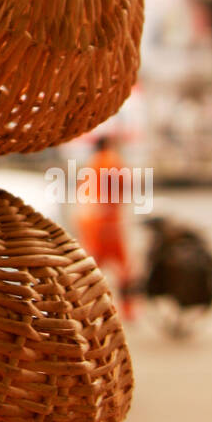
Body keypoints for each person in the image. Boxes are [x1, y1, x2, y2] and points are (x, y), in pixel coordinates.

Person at [74, 135, 136, 320]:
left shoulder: (91, 163)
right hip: (106, 221)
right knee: (123, 268)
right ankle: (128, 310)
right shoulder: (110, 160)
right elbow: (124, 184)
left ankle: (84, 306)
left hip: (89, 220)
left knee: (91, 267)